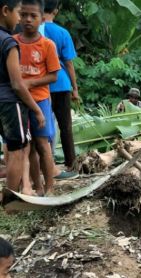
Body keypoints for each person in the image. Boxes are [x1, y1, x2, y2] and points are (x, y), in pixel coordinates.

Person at [14, 0, 61, 195]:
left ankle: (50, 188)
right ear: (19, 16)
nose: (27, 19)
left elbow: (54, 75)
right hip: (18, 101)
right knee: (28, 147)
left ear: (42, 19)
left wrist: (30, 83)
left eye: (33, 16)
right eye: (24, 14)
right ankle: (38, 187)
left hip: (40, 100)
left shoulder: (47, 45)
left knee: (43, 144)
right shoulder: (13, 42)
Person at [0, 0, 45, 197]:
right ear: (5, 11)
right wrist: (36, 109)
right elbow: (17, 84)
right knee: (17, 150)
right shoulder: (9, 42)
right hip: (9, 103)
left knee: (9, 148)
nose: (19, 18)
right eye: (18, 12)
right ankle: (10, 201)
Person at [43, 0, 79, 176]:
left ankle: (46, 163)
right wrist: (75, 89)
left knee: (43, 127)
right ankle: (70, 163)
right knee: (65, 127)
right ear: (55, 11)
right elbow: (69, 64)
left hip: (42, 86)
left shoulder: (35, 32)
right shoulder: (62, 33)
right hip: (62, 84)